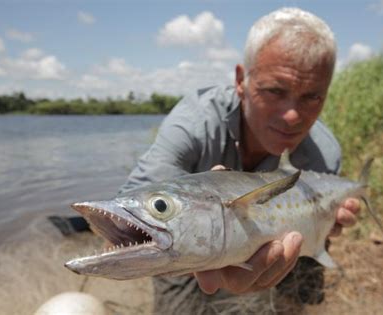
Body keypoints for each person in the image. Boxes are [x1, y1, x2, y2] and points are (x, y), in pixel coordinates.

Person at [118, 7, 360, 314]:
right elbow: (139, 202)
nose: (292, 116)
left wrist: (327, 226)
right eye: (275, 91)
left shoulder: (323, 153)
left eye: (312, 97)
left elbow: (312, 222)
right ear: (241, 80)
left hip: (286, 237)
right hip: (182, 245)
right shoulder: (194, 123)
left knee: (297, 290)